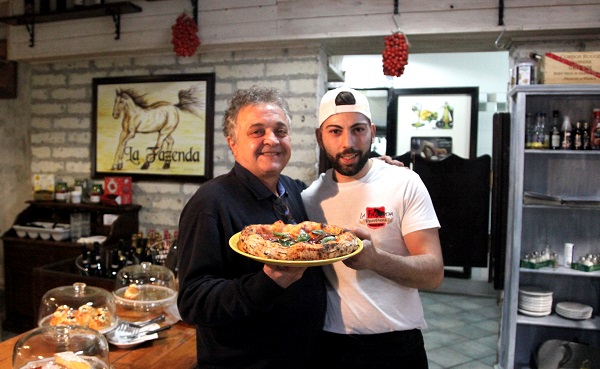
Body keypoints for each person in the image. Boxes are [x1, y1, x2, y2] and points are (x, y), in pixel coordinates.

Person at [176, 86, 326, 369]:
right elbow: (192, 301)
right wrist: (267, 283)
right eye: (257, 131)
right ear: (232, 142)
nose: (272, 139)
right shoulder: (209, 202)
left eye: (280, 131)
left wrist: (376, 173)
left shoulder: (297, 192)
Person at [301, 87, 445, 369]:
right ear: (320, 137)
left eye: (358, 129)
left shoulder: (404, 183)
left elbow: (433, 274)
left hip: (397, 344)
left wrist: (375, 260)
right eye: (335, 131)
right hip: (330, 345)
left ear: (372, 130)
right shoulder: (309, 198)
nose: (349, 143)